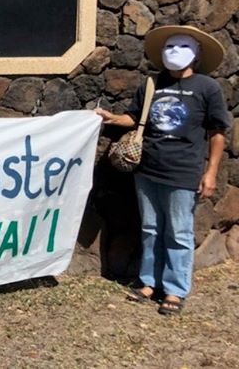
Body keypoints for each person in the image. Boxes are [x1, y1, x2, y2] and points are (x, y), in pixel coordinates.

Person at [97, 24, 230, 316]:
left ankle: (175, 289)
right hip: (147, 170)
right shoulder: (152, 84)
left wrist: (210, 172)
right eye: (169, 46)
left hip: (183, 171)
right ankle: (149, 282)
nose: (174, 51)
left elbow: (217, 133)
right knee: (150, 228)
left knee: (179, 232)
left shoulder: (207, 88)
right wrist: (111, 118)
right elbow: (134, 118)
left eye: (182, 46)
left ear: (196, 54)